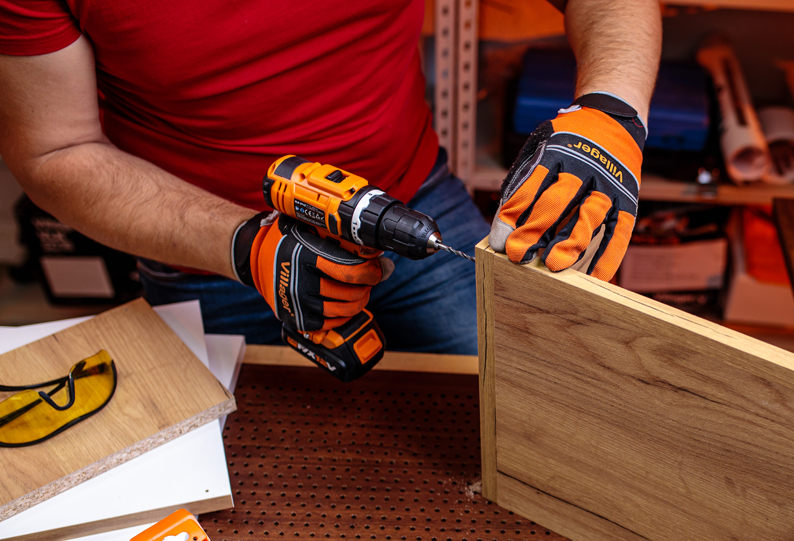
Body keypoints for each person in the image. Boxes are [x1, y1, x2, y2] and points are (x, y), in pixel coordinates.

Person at [0, 0, 661, 355]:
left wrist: (610, 114)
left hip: (412, 196)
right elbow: (54, 151)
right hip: (208, 260)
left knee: (534, 398)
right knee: (239, 491)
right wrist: (246, 244)